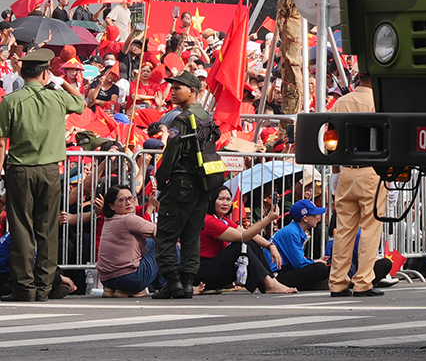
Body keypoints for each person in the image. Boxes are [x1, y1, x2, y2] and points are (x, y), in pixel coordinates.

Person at [0, 48, 86, 300]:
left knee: (21, 229)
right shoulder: (57, 97)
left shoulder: (10, 101)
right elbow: (80, 103)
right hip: (49, 171)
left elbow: (2, 141)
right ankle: (44, 287)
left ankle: (24, 287)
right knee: (47, 230)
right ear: (46, 74)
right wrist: (62, 83)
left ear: (21, 73)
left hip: (20, 171)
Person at [148, 71, 224, 300]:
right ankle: (188, 282)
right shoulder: (206, 117)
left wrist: (161, 180)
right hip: (203, 184)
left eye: (177, 88)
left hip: (181, 185)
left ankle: (173, 282)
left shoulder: (182, 120)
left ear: (192, 91)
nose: (172, 92)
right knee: (192, 235)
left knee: (166, 235)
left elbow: (171, 154)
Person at [327, 69, 387, 298]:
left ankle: (337, 282)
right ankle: (363, 281)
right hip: (372, 170)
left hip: (346, 171)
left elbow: (332, 139)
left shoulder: (340, 103)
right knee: (371, 228)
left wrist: (335, 172)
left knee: (343, 230)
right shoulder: (378, 103)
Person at [198, 188, 294, 295]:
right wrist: (268, 219)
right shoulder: (209, 220)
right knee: (239, 247)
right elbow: (243, 237)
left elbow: (248, 234)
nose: (225, 203)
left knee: (250, 243)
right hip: (204, 273)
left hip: (216, 269)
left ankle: (270, 282)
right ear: (212, 201)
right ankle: (270, 285)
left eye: (228, 199)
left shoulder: (223, 220)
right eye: (221, 199)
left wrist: (270, 245)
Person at [96, 185, 160, 297]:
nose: (128, 202)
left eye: (131, 198)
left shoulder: (109, 220)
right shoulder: (128, 219)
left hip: (107, 280)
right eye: (122, 200)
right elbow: (162, 233)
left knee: (150, 243)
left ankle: (113, 289)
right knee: (168, 246)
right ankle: (168, 285)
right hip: (130, 279)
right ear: (112, 206)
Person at [270, 200, 332, 291]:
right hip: (277, 274)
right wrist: (316, 262)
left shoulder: (295, 230)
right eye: (315, 215)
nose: (318, 217)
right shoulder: (291, 232)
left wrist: (316, 261)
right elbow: (299, 263)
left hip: (285, 269)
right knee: (320, 268)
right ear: (305, 218)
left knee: (324, 267)